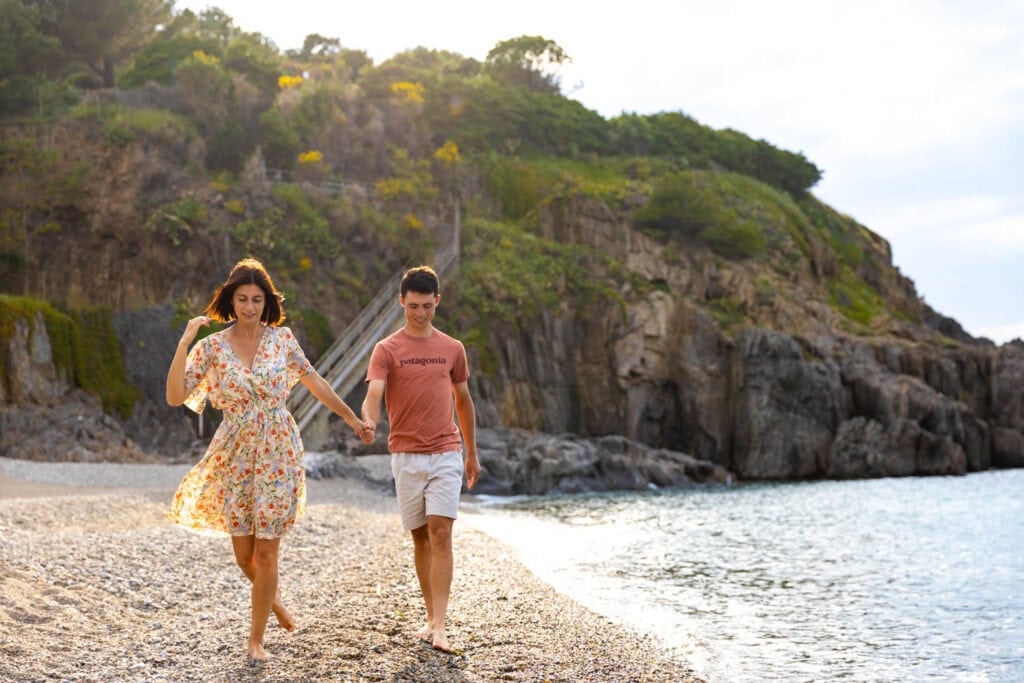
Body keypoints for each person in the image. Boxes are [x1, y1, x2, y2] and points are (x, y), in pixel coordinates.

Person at [165, 258, 372, 660]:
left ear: (266, 302)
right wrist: (182, 344)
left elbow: (315, 382)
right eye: (241, 299)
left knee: (266, 551)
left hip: (278, 447)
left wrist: (350, 418)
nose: (248, 307)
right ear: (230, 299)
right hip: (235, 450)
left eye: (256, 300)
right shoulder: (211, 348)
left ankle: (255, 639)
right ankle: (272, 601)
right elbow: (176, 396)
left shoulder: (283, 340)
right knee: (243, 554)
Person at [361, 265, 480, 653]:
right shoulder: (386, 349)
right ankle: (431, 617)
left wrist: (471, 454)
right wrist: (369, 421)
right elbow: (375, 393)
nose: (420, 314)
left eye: (427, 306)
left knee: (441, 533)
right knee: (420, 538)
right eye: (413, 306)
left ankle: (441, 626)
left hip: (446, 452)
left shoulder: (452, 348)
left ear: (437, 302)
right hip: (405, 456)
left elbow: (464, 402)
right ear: (402, 302)